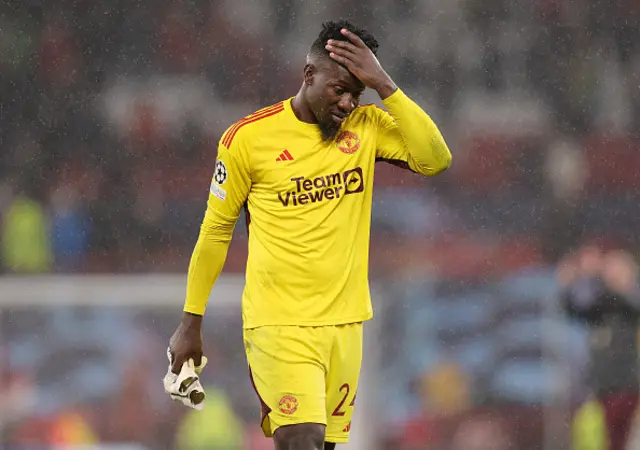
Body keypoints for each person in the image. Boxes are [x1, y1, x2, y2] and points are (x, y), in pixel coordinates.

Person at [168, 19, 452, 450]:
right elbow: (214, 233)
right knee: (303, 440)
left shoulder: (367, 126)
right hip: (279, 323)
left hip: (346, 323)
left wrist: (385, 85)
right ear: (308, 75)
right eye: (339, 89)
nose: (347, 103)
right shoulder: (248, 139)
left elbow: (435, 159)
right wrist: (191, 322)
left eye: (357, 93)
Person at [558, 247, 640, 450]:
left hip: (627, 385)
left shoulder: (629, 301)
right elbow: (575, 310)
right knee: (608, 439)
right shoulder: (604, 309)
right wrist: (569, 285)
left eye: (616, 267)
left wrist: (595, 275)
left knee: (621, 438)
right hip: (604, 385)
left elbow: (622, 301)